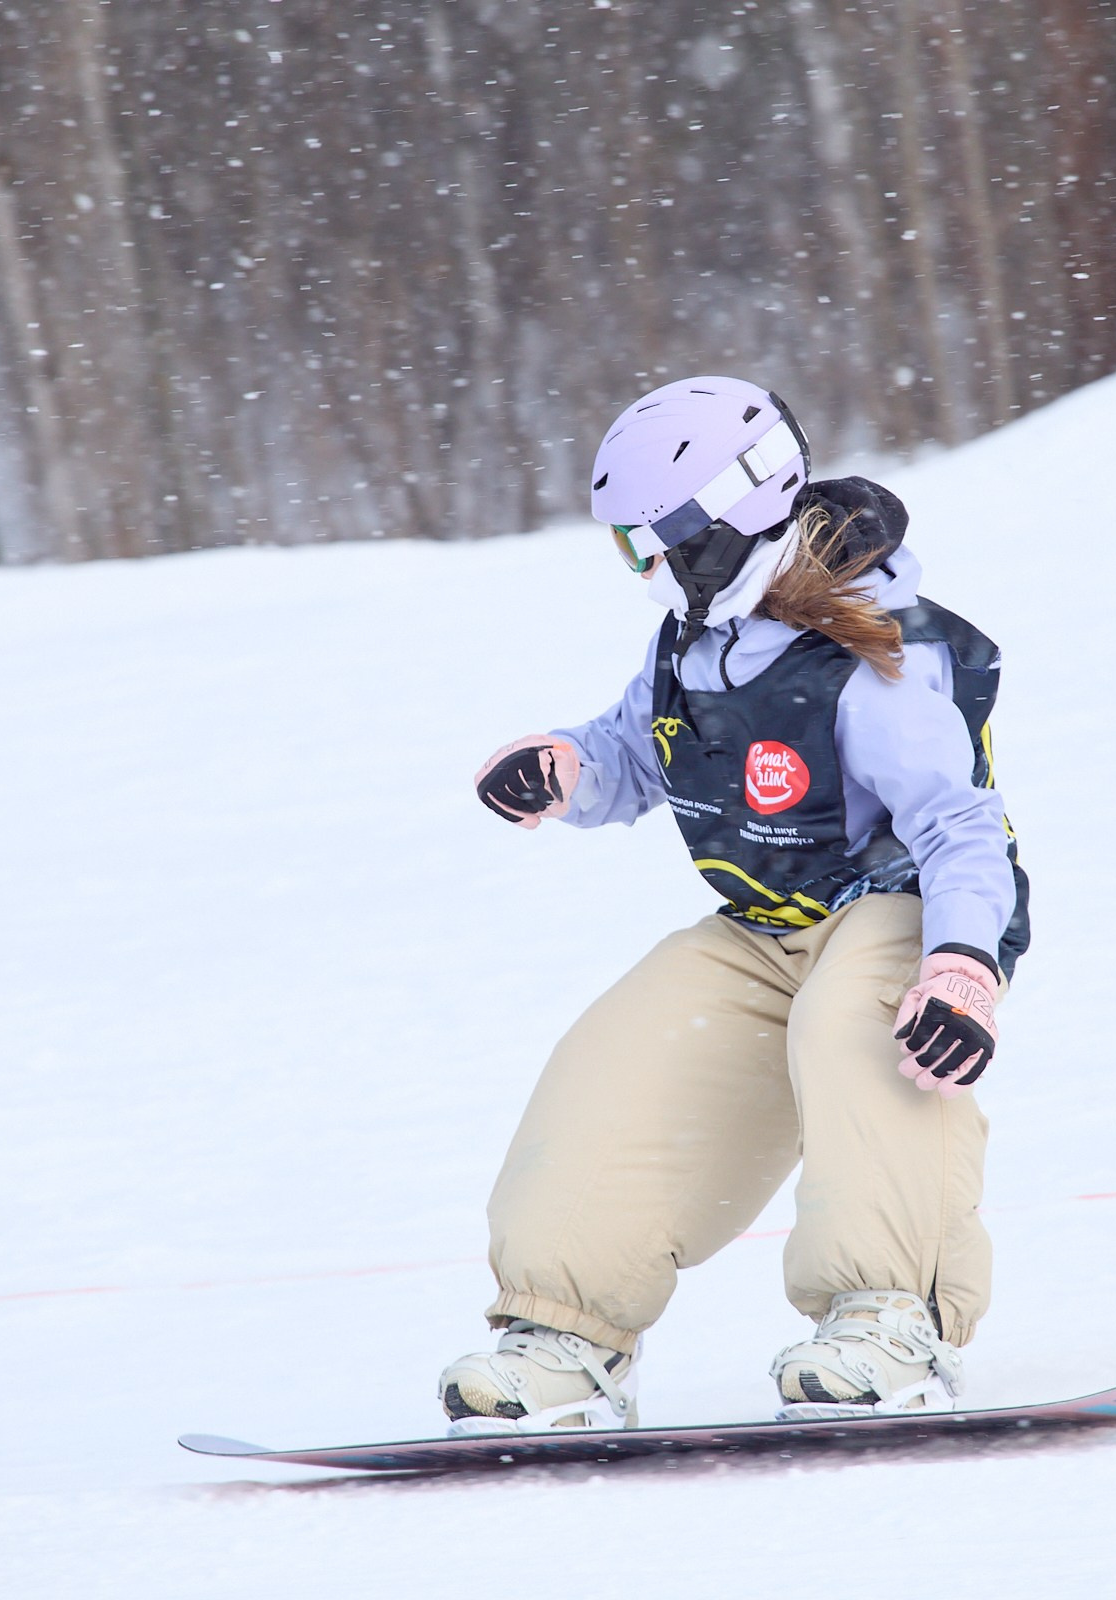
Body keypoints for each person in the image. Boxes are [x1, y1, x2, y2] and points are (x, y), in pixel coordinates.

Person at [439, 376, 1031, 1434]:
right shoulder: (694, 636)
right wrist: (564, 766)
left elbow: (960, 826)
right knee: (618, 1055)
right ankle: (565, 1332)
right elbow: (635, 750)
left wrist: (961, 966)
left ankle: (891, 1318)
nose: (648, 571)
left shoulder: (874, 655)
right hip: (763, 926)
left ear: (725, 519)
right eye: (629, 548)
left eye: (655, 543)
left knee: (858, 1029)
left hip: (899, 909)